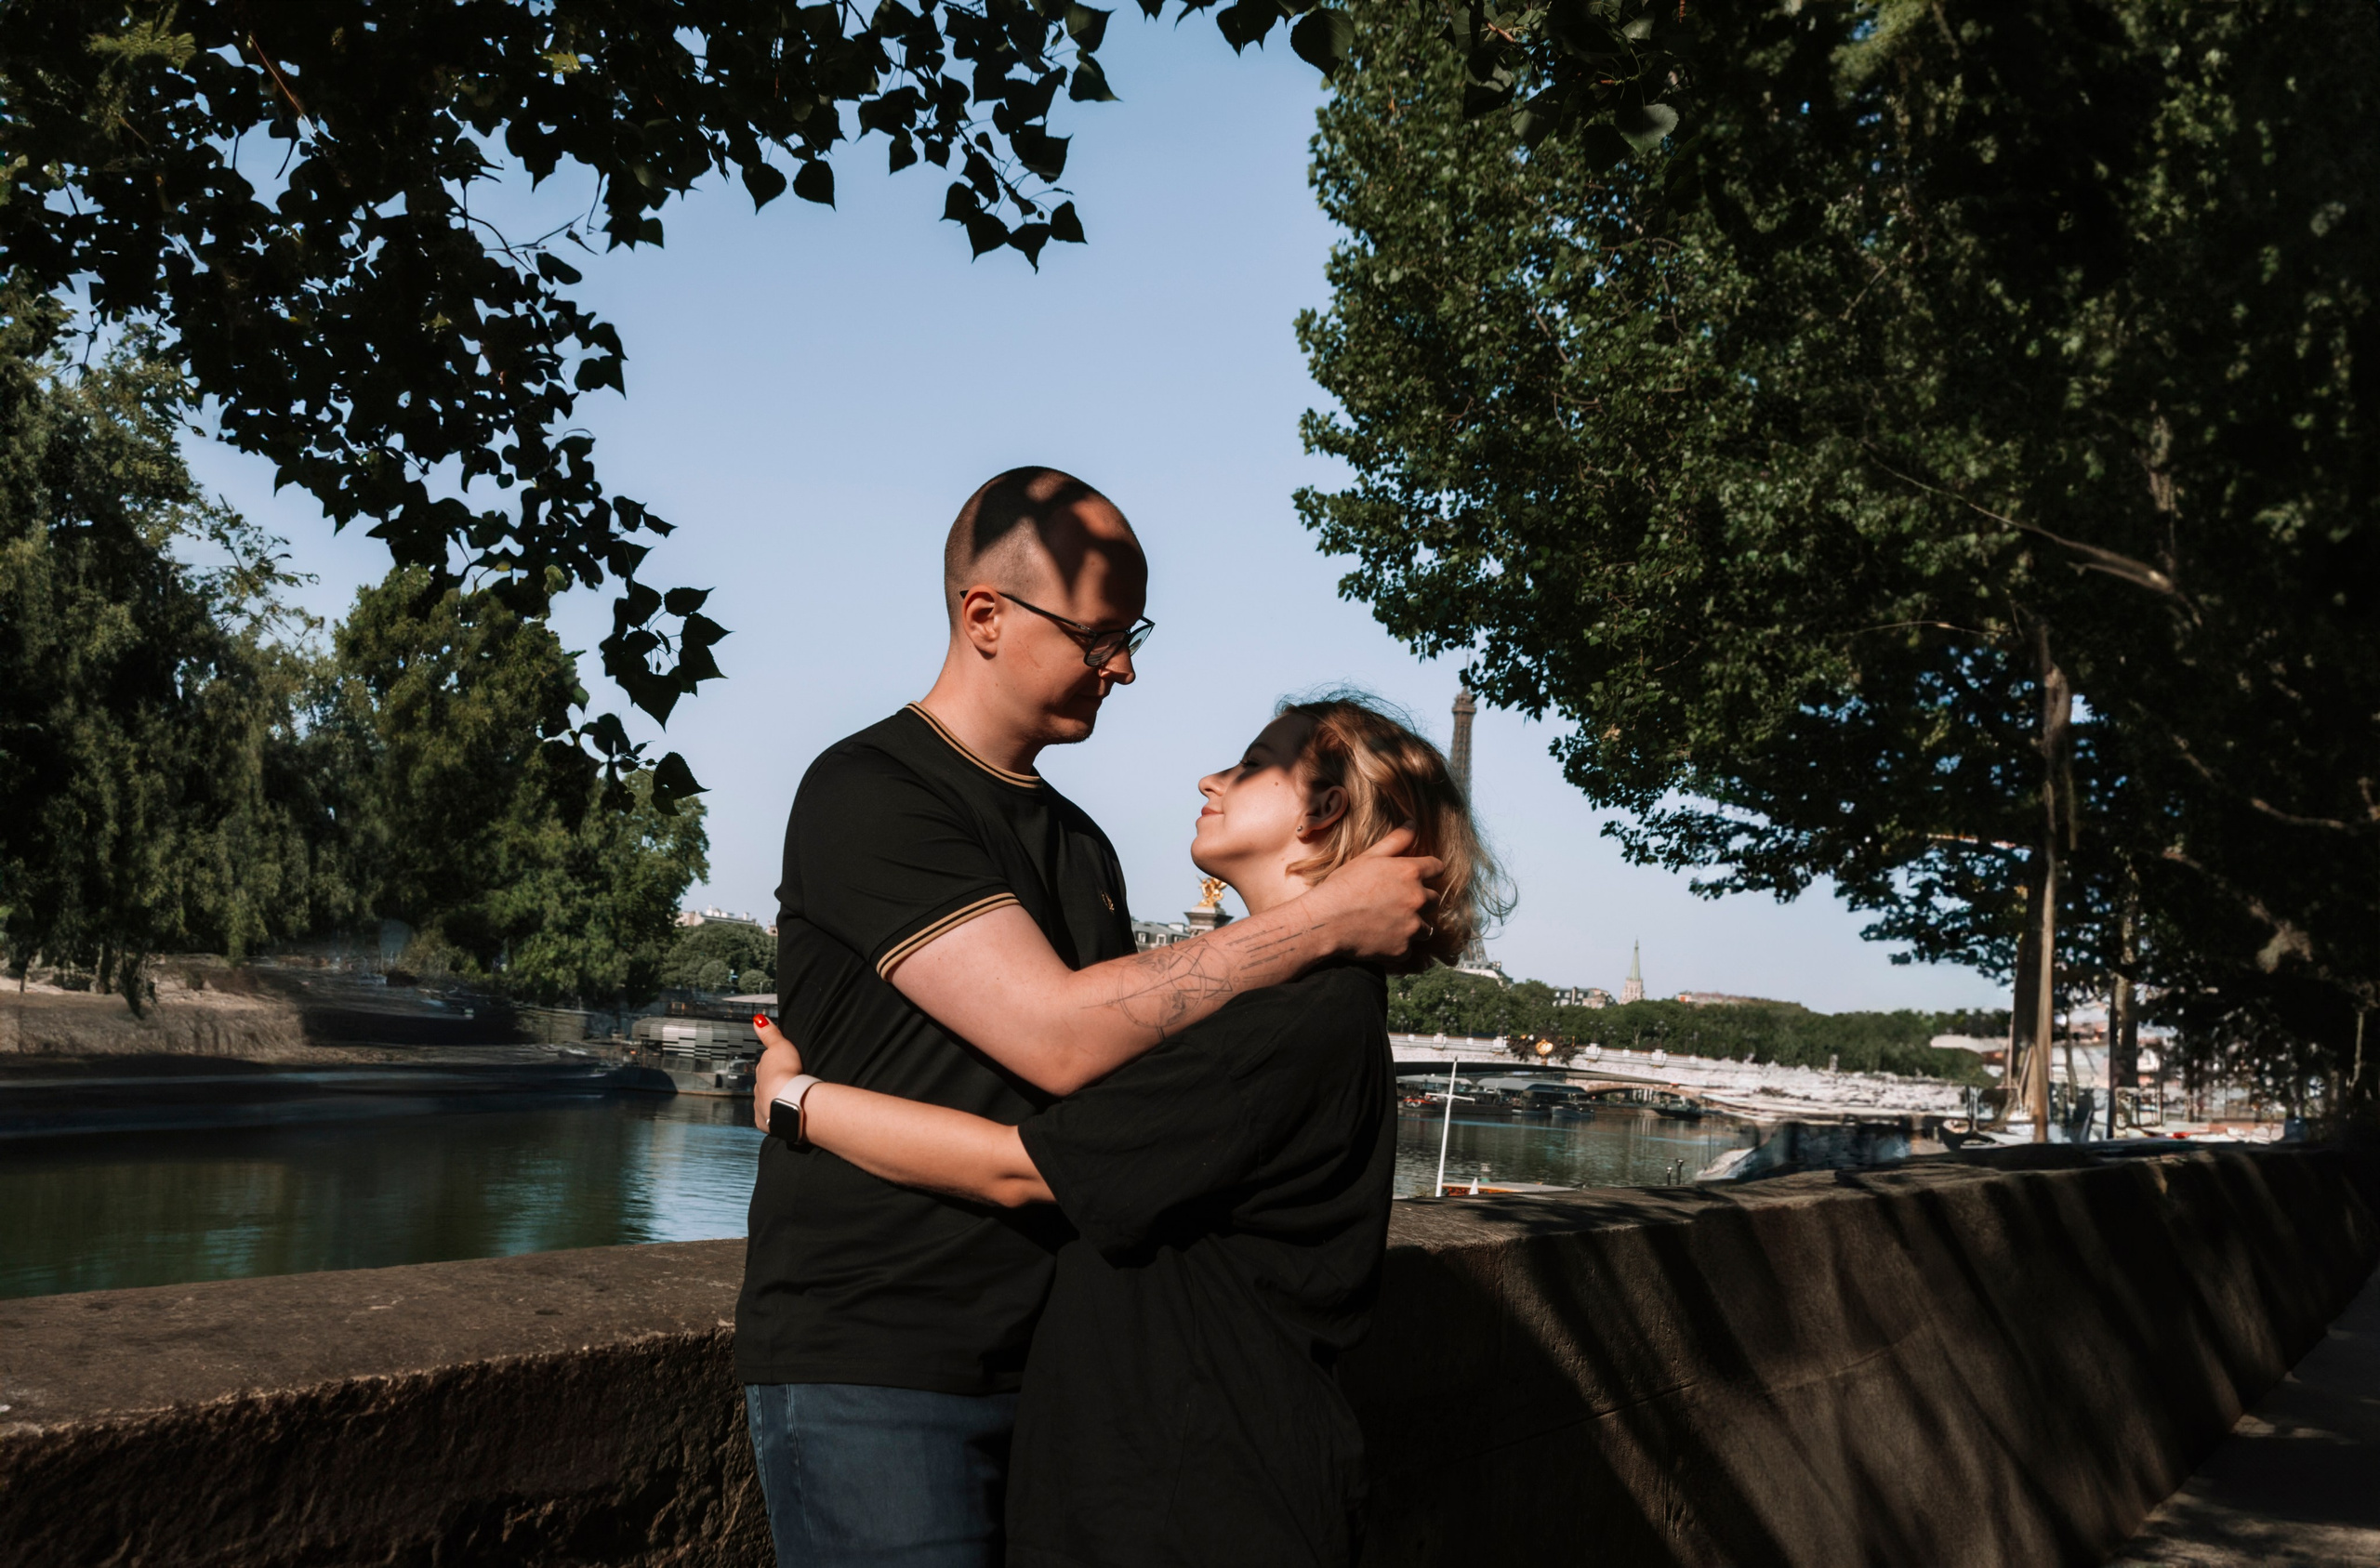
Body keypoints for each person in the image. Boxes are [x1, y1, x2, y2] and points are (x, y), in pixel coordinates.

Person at [738, 468, 1442, 1568]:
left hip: (1052, 1369)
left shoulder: (1084, 848)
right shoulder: (870, 791)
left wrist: (801, 1104)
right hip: (883, 1355)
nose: (1125, 666)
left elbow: (1106, 1091)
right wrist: (1320, 922)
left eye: (1132, 634)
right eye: (1099, 634)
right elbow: (1060, 1037)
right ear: (986, 617)